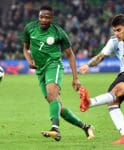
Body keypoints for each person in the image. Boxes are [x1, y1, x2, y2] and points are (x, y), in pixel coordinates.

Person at [22, 6, 94, 141]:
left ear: (51, 18)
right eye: (41, 17)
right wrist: (29, 60)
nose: (43, 20)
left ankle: (55, 128)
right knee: (57, 107)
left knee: (51, 94)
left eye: (46, 17)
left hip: (53, 65)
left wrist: (75, 78)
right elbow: (25, 48)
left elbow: (70, 55)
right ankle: (86, 127)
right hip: (40, 70)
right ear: (38, 17)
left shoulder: (58, 32)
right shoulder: (29, 28)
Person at [79, 14, 124, 144]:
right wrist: (87, 65)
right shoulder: (114, 41)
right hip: (123, 75)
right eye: (114, 31)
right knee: (112, 101)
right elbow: (101, 56)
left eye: (119, 30)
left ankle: (90, 102)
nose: (116, 34)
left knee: (117, 90)